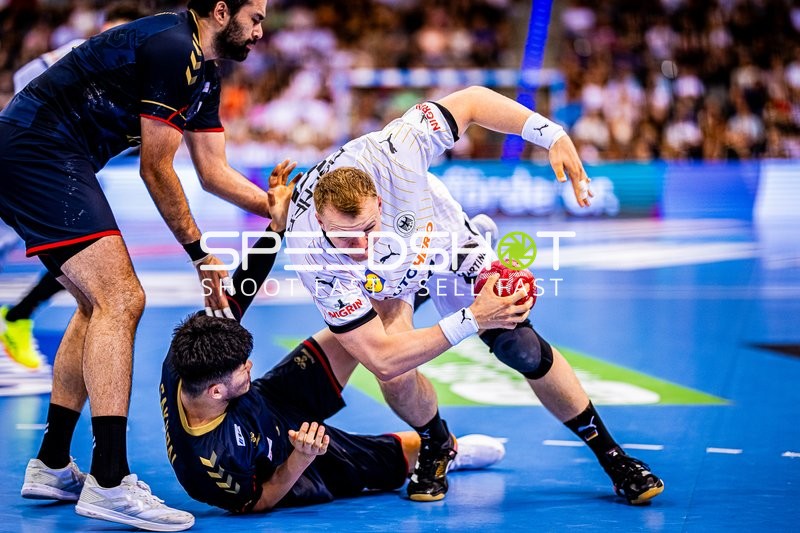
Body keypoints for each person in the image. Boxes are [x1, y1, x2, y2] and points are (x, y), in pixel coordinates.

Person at [284, 86, 664, 505]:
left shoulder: (398, 150)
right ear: (320, 220)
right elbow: (381, 356)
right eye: (346, 238)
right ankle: (437, 442)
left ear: (379, 199)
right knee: (392, 373)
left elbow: (473, 102)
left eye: (369, 229)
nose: (362, 245)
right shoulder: (313, 256)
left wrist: (550, 133)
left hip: (441, 240)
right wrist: (472, 318)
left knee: (518, 346)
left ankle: (613, 457)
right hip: (384, 286)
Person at [4, 1, 275, 530]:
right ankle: (109, 480)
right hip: (38, 149)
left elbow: (214, 172)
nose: (262, 30)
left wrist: (278, 205)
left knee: (96, 305)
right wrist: (199, 253)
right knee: (122, 299)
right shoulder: (175, 47)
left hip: (44, 152)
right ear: (222, 11)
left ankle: (53, 463)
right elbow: (156, 167)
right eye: (257, 17)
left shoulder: (206, 73)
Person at [162, 165, 506, 513]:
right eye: (241, 368)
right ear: (216, 391)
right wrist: (300, 458)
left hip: (269, 399)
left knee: (358, 330)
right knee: (403, 454)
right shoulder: (209, 467)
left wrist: (276, 227)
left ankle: (443, 261)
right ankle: (453, 452)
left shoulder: (189, 354)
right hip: (292, 455)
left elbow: (240, 290)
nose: (249, 364)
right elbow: (257, 500)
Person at [0, 2, 148, 371]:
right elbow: (24, 96)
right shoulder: (67, 58)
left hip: (66, 171)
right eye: (110, 35)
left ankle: (19, 314)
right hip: (28, 166)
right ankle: (18, 316)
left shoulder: (140, 78)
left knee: (86, 256)